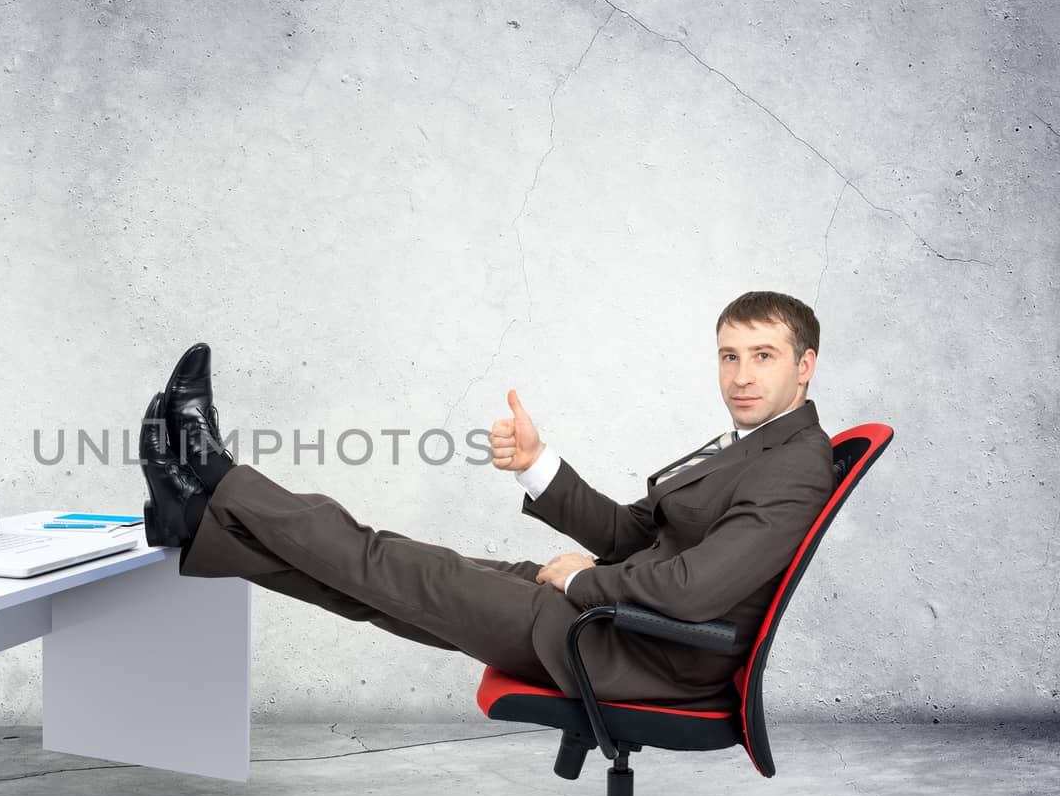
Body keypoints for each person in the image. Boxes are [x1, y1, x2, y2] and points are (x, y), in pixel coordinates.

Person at [137, 290, 836, 711]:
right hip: (619, 623)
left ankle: (216, 474)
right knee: (381, 575)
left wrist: (583, 580)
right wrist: (538, 465)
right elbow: (630, 534)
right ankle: (194, 519)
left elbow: (691, 589)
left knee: (385, 565)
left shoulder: (795, 467)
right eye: (729, 355)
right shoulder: (750, 445)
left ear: (804, 366)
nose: (741, 375)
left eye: (763, 356)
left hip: (641, 652)